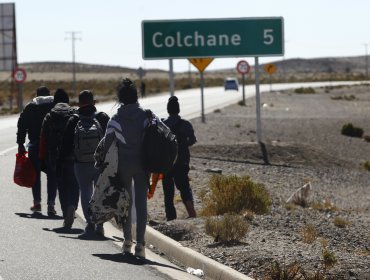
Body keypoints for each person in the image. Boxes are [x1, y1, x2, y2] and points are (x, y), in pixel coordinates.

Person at [101, 78, 151, 258]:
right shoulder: (146, 116)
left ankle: (127, 241)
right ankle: (141, 246)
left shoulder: (115, 118)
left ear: (120, 98)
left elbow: (106, 144)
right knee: (141, 205)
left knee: (126, 204)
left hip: (123, 166)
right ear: (136, 96)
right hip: (143, 165)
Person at [60, 90, 109, 235]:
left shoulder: (73, 120)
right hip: (99, 163)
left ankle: (90, 223)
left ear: (79, 103)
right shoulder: (102, 118)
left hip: (80, 163)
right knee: (99, 192)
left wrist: (62, 163)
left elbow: (66, 145)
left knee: (85, 192)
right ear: (94, 102)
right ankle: (100, 224)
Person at [39, 89, 79, 227]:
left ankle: (65, 214)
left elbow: (43, 138)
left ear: (55, 101)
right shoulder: (74, 113)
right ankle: (72, 205)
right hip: (72, 156)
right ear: (67, 100)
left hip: (54, 157)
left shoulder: (50, 115)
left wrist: (42, 158)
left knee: (61, 186)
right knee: (74, 184)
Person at [16, 86, 55, 215]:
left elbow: (21, 126)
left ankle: (37, 203)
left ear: (36, 95)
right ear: (49, 95)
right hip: (51, 147)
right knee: (52, 175)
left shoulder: (30, 107)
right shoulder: (54, 107)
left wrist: (20, 144)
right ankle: (51, 205)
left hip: (35, 146)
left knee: (35, 175)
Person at [162, 96, 197, 221]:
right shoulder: (186, 124)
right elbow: (192, 140)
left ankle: (170, 218)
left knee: (168, 191)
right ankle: (192, 214)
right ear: (178, 109)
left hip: (167, 162)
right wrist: (182, 145)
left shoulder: (163, 124)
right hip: (182, 161)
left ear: (168, 110)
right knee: (184, 187)